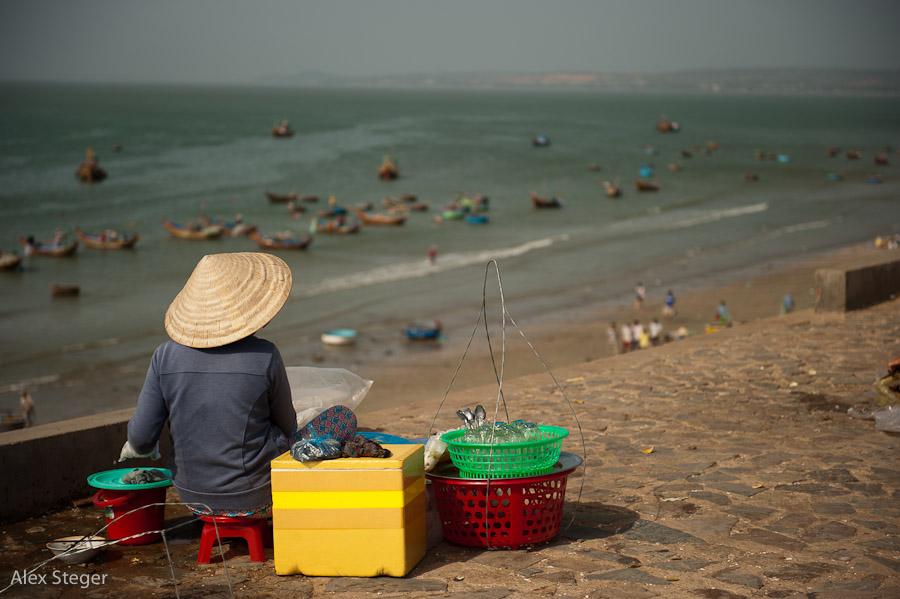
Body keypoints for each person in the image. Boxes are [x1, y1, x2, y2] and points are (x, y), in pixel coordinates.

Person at [121, 252, 298, 519]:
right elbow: (287, 426)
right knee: (339, 418)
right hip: (256, 494)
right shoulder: (265, 355)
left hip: (192, 496)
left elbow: (142, 440)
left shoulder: (164, 356)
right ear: (250, 307)